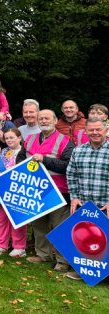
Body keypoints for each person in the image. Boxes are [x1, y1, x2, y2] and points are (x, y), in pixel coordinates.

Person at [19, 109, 75, 271]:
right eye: (41, 118)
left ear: (56, 121)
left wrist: (45, 160)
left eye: (47, 118)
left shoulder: (65, 141)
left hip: (57, 191)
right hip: (33, 189)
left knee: (60, 227)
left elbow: (68, 166)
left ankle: (63, 260)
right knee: (38, 224)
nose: (43, 121)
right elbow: (20, 158)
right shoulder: (30, 139)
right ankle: (43, 254)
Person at [67, 117, 109, 280]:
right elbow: (71, 175)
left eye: (98, 129)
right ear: (85, 132)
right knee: (88, 240)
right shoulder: (78, 151)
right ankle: (84, 271)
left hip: (105, 204)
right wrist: (75, 197)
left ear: (106, 130)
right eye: (91, 130)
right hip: (86, 204)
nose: (95, 133)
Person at [0, 128, 28, 257]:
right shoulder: (4, 151)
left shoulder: (26, 152)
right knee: (0, 217)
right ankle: (0, 245)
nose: (9, 140)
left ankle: (19, 247)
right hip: (3, 189)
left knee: (17, 218)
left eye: (12, 137)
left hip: (18, 190)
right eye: (7, 138)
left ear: (19, 138)